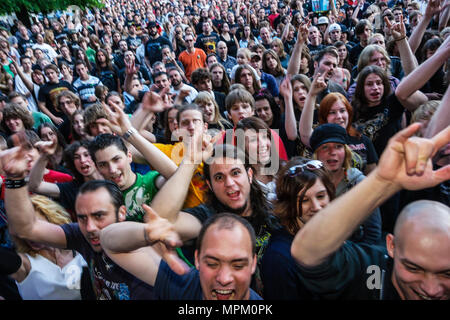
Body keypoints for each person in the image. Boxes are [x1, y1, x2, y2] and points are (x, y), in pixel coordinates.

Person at [290, 123, 450, 300]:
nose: (431, 289)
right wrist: (383, 183)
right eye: (413, 268)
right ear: (391, 246)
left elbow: (373, 230)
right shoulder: (372, 273)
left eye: (447, 274)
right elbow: (308, 252)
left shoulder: (356, 180)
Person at [3, 169, 155, 300]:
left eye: (99, 216)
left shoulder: (144, 250)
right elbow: (26, 227)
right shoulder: (81, 235)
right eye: (82, 218)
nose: (89, 227)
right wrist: (14, 177)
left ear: (122, 213)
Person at [100, 211, 262, 300]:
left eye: (238, 265)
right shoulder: (185, 284)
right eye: (212, 263)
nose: (224, 278)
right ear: (197, 260)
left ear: (253, 264)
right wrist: (147, 233)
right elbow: (109, 243)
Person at [1, 195, 87, 300]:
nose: (29, 234)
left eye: (34, 226)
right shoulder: (25, 263)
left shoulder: (80, 249)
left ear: (53, 220)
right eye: (23, 229)